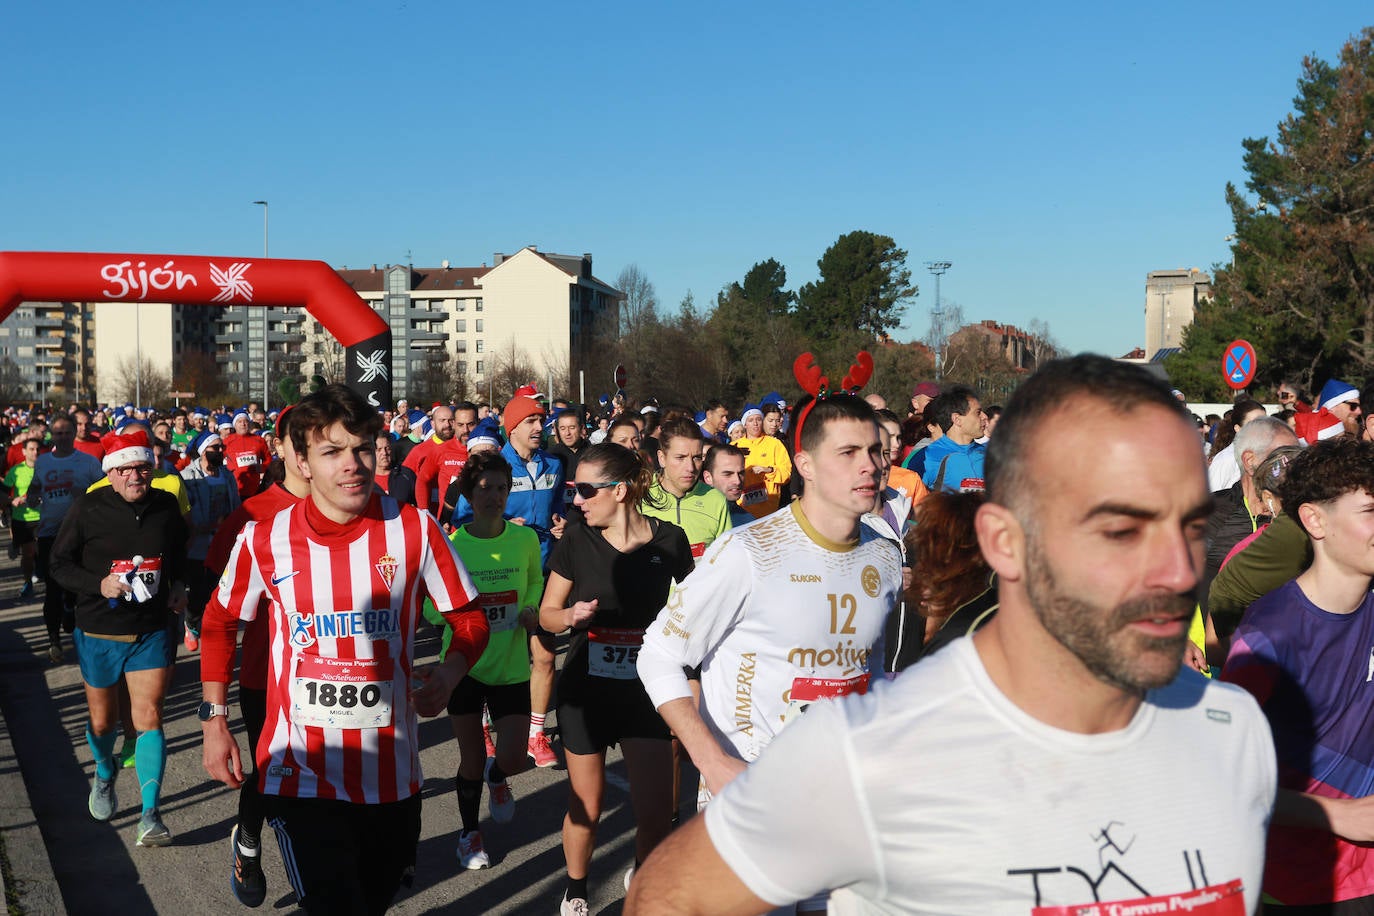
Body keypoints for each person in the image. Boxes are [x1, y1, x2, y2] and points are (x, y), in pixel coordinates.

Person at [627, 355, 1277, 915]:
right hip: (756, 781)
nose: (1177, 570)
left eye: (1192, 525)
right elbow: (664, 895)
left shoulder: (1236, 731)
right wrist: (714, 758)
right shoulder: (862, 752)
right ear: (1004, 541)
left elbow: (880, 659)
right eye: (1120, 529)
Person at [199, 385, 488, 915]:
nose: (352, 464)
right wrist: (214, 718)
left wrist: (449, 673)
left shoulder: (414, 531)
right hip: (299, 769)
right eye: (332, 452)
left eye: (361, 447)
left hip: (391, 771)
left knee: (372, 901)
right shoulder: (264, 539)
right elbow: (219, 623)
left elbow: (468, 617)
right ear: (302, 461)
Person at [637, 389, 902, 846]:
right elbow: (658, 654)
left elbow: (870, 668)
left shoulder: (884, 549)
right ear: (806, 466)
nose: (870, 466)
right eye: (849, 452)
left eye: (876, 451)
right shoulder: (748, 551)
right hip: (751, 796)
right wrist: (712, 761)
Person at [540, 443, 694, 915]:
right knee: (587, 806)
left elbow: (695, 608)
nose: (577, 501)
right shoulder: (577, 540)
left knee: (654, 814)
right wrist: (569, 616)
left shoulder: (670, 540)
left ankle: (642, 893)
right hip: (585, 691)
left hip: (644, 692)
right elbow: (545, 615)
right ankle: (577, 890)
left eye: (585, 490)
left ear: (621, 490)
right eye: (574, 490)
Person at [1222, 437, 1374, 911]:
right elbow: (1220, 777)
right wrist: (1339, 815)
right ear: (1314, 520)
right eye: (1371, 510)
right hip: (1298, 885)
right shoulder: (1268, 638)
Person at [50, 428, 189, 848]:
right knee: (103, 722)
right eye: (126, 469)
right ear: (111, 473)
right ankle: (105, 773)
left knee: (148, 716)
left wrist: (180, 585)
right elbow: (59, 564)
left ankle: (151, 814)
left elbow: (180, 551)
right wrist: (99, 584)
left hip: (150, 630)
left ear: (152, 469)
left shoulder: (165, 506)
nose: (135, 476)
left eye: (142, 468)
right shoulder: (88, 508)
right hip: (98, 631)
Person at [201, 405, 309, 908]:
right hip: (266, 677)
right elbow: (215, 601)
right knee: (272, 780)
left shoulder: (364, 510)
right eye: (303, 440)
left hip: (339, 678)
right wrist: (213, 714)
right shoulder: (252, 513)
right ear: (281, 448)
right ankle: (247, 841)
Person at [422, 451, 543, 870]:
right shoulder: (451, 545)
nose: (493, 496)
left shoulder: (525, 539)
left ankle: (499, 776)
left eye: (501, 488)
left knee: (512, 758)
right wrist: (456, 614)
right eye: (484, 488)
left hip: (509, 666)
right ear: (470, 494)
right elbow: (432, 609)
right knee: (470, 758)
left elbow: (534, 580)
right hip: (463, 666)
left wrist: (530, 608)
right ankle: (469, 834)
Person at [500, 393, 567, 768]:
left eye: (541, 421)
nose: (539, 428)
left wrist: (561, 521)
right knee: (498, 658)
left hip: (542, 573)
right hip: (503, 573)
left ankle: (535, 733)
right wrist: (504, 526)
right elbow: (465, 519)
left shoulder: (553, 465)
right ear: (512, 427)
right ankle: (484, 726)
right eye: (531, 421)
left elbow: (559, 504)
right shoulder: (496, 467)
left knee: (543, 656)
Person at [33, 416, 105, 661]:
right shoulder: (42, 462)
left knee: (78, 586)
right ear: (51, 436)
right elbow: (35, 486)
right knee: (52, 589)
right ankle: (54, 640)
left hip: (81, 534)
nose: (62, 437)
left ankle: (76, 624)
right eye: (58, 433)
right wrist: (32, 494)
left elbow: (105, 492)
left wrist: (85, 493)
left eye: (66, 432)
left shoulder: (88, 462)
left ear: (74, 433)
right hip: (49, 533)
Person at [179, 430, 241, 651]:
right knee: (197, 589)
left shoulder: (227, 475)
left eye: (221, 448)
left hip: (222, 542)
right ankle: (191, 623)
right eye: (215, 448)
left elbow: (236, 503)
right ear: (203, 451)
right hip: (197, 543)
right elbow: (184, 510)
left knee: (218, 588)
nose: (220, 452)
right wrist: (198, 528)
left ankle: (213, 627)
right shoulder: (188, 476)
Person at [642, 417, 732, 561]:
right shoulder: (640, 497)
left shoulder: (716, 499)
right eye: (680, 457)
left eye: (696, 458)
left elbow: (726, 560)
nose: (690, 468)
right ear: (662, 458)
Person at [920, 385, 987, 493]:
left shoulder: (989, 454)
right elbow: (910, 502)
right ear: (957, 419)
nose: (984, 417)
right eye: (978, 412)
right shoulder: (925, 457)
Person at [731, 405, 792, 520]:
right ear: (744, 424)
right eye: (750, 420)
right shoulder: (734, 446)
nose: (755, 423)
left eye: (758, 419)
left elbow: (786, 473)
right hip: (742, 510)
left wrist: (769, 470)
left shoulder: (775, 444)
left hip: (768, 510)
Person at [5, 436, 42, 597]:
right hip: (23, 520)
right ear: (24, 451)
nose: (35, 452)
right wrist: (12, 500)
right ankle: (27, 582)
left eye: (37, 449)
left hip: (44, 518)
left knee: (45, 553)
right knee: (27, 554)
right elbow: (4, 492)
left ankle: (51, 583)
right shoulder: (16, 470)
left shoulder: (46, 469)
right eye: (32, 449)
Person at [702, 444, 755, 529]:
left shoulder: (748, 521)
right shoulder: (690, 514)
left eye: (741, 473)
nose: (737, 481)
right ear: (708, 478)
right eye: (728, 474)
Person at [223, 410, 272, 500]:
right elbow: (218, 461)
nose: (243, 424)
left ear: (249, 423)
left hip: (255, 490)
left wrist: (262, 467)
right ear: (235, 425)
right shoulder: (227, 442)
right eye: (239, 421)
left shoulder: (259, 440)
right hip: (235, 490)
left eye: (245, 421)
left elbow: (268, 460)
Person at [373, 430, 416, 506]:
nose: (384, 453)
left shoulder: (406, 475)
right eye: (379, 450)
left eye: (387, 448)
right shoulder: (365, 480)